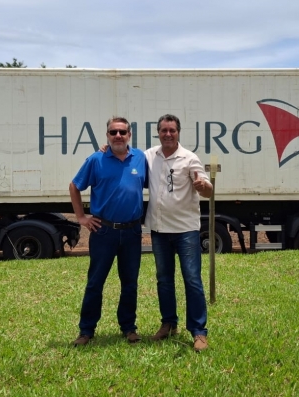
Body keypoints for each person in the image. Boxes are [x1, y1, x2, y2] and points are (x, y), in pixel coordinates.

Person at [69, 117, 147, 347]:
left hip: (132, 232)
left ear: (129, 135)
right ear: (107, 135)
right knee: (95, 282)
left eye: (122, 132)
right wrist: (81, 217)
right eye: (113, 132)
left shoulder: (141, 158)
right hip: (104, 232)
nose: (118, 136)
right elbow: (74, 186)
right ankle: (86, 330)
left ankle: (129, 328)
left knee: (130, 282)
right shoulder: (97, 159)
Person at [146, 114, 213, 352]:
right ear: (158, 132)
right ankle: (168, 324)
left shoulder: (189, 158)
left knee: (192, 280)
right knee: (164, 280)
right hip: (159, 229)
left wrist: (203, 186)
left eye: (172, 130)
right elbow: (126, 159)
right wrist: (106, 149)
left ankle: (198, 332)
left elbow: (207, 189)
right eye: (163, 130)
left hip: (185, 230)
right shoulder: (149, 156)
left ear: (178, 132)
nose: (167, 134)